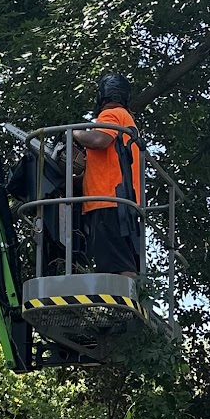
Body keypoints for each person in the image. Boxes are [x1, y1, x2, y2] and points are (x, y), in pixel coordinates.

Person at [74, 72, 142, 275]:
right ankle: (131, 295)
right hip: (122, 202)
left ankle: (124, 297)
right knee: (122, 263)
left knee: (118, 267)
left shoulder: (111, 114)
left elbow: (99, 140)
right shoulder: (127, 121)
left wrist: (73, 133)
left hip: (107, 202)